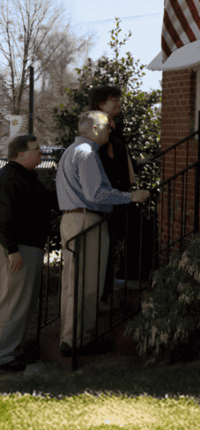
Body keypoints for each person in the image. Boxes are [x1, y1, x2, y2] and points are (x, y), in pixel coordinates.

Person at [55, 112, 149, 355]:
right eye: (108, 128)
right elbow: (96, 194)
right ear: (95, 128)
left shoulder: (72, 151)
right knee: (87, 284)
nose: (111, 131)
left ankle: (70, 339)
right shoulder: (86, 154)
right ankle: (79, 342)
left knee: (73, 283)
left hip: (73, 219)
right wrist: (131, 196)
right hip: (87, 220)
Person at [0, 135, 54, 372]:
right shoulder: (10, 177)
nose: (41, 154)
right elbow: (4, 216)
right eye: (37, 150)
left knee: (21, 302)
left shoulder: (26, 177)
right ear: (21, 154)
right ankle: (4, 356)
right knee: (13, 302)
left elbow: (45, 201)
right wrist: (12, 250)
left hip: (26, 246)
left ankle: (12, 351)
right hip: (18, 248)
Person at [90, 84, 136, 304]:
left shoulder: (116, 127)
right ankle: (102, 294)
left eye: (118, 98)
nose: (118, 102)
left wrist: (132, 172)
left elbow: (121, 154)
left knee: (115, 243)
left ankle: (106, 291)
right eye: (112, 99)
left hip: (120, 192)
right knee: (104, 246)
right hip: (106, 196)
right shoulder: (95, 127)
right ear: (100, 103)